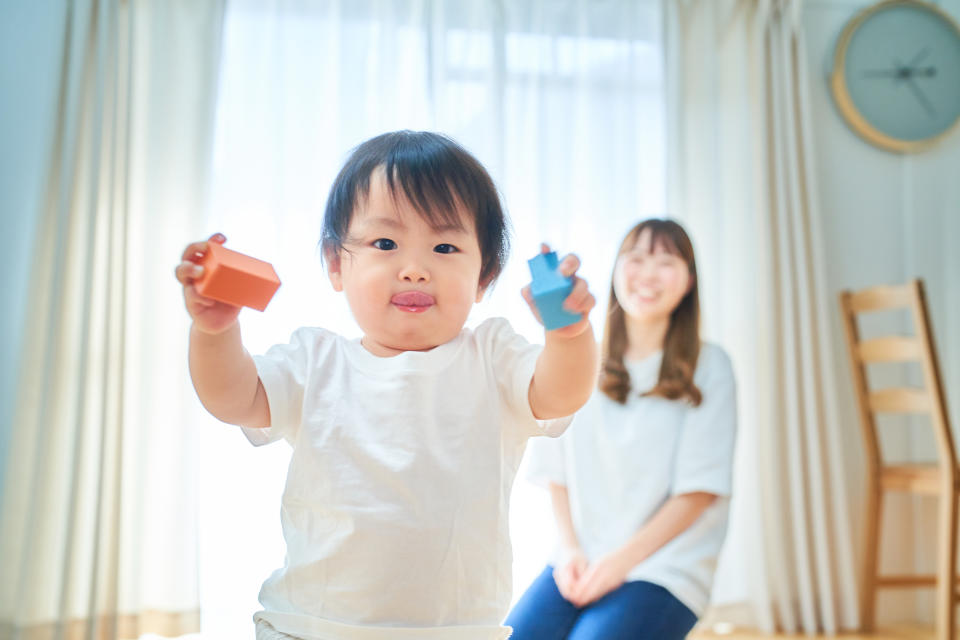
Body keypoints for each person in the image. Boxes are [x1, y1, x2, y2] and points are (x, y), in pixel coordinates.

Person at [173, 131, 599, 640]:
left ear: (483, 274)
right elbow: (233, 397)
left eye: (444, 246)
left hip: (455, 630)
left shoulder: (494, 357)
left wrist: (569, 334)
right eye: (385, 243)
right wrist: (216, 331)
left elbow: (559, 392)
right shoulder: (317, 361)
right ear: (336, 264)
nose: (415, 269)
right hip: (310, 626)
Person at [505, 219, 737, 640]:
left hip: (665, 568)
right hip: (578, 560)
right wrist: (572, 551)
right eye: (636, 258)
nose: (648, 274)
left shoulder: (710, 367)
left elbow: (697, 492)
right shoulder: (583, 359)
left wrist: (616, 566)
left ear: (688, 282)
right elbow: (556, 473)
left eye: (666, 261)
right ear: (616, 270)